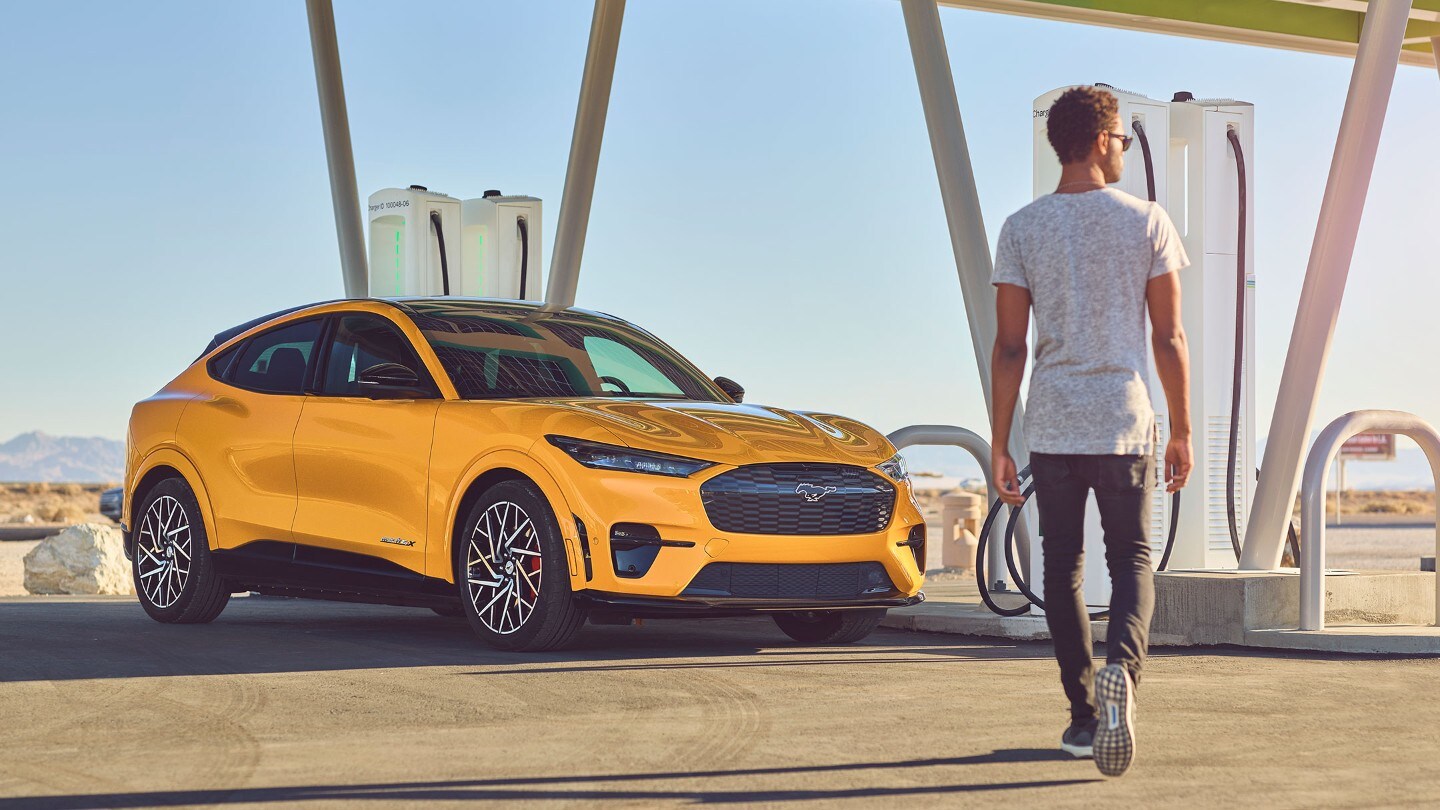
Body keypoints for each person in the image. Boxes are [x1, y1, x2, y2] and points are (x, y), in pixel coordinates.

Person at [988, 86, 1193, 778]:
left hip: (1052, 421)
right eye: (1125, 142)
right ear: (1104, 140)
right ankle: (1123, 682)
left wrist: (998, 443)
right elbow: (1168, 335)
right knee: (1133, 556)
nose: (1126, 153)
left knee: (1063, 567)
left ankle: (1082, 716)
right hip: (1125, 418)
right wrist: (1183, 429)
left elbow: (1010, 346)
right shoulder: (1147, 222)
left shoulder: (1022, 226)